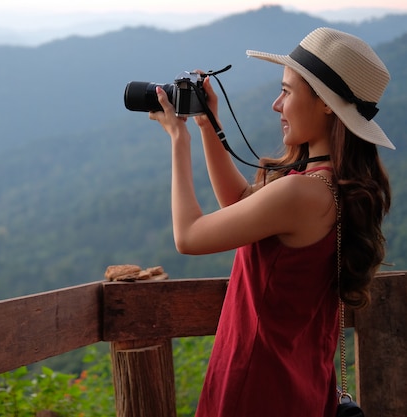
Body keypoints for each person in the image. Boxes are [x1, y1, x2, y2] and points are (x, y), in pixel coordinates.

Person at [148, 27, 393, 417]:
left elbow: (188, 236)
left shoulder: (302, 193)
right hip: (300, 380)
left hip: (255, 385)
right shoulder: (333, 186)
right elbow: (242, 204)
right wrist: (208, 125)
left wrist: (179, 141)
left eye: (288, 91)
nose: (277, 105)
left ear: (327, 103)